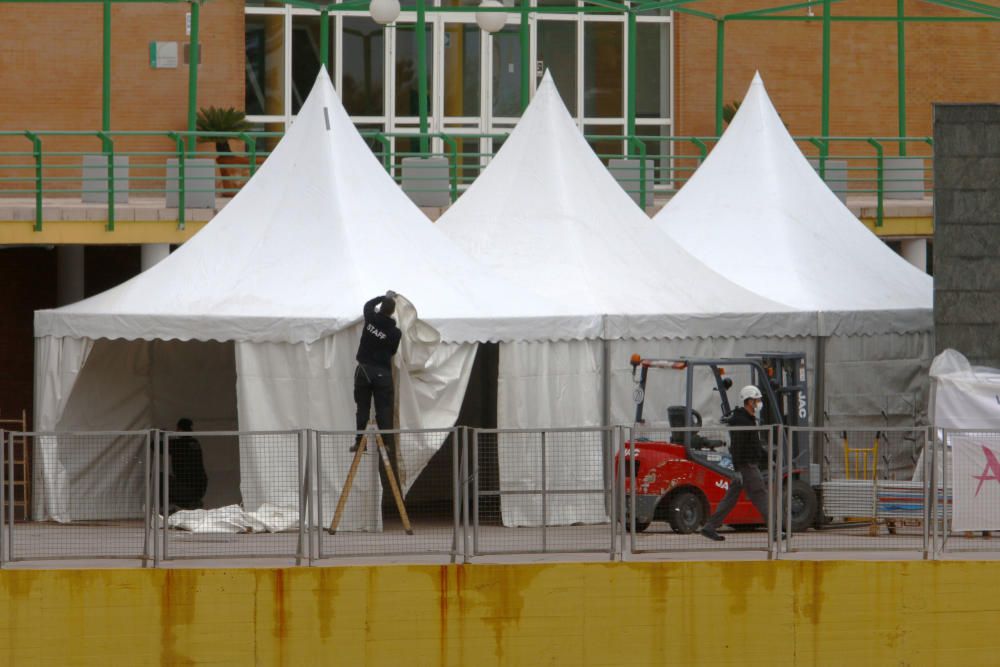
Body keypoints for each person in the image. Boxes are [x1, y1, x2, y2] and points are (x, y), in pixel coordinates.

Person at [699, 385, 770, 541]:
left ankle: (709, 527)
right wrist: (738, 470)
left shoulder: (748, 419)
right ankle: (776, 530)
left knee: (730, 499)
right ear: (749, 401)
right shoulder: (742, 422)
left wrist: (766, 457)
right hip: (746, 466)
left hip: (745, 465)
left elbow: (752, 444)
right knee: (761, 495)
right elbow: (737, 447)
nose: (759, 402)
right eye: (757, 400)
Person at [352, 292, 402, 464]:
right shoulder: (395, 333)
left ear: (381, 308)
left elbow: (367, 305)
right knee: (384, 409)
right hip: (382, 373)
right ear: (392, 313)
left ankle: (360, 442)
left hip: (364, 370)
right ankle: (386, 444)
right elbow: (393, 352)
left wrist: (383, 296)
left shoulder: (371, 318)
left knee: (363, 408)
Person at [168, 417, 208, 511]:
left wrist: (160, 435)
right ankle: (192, 503)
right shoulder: (194, 443)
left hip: (186, 485)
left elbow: (155, 446)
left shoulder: (178, 444)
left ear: (179, 429)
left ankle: (169, 509)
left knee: (163, 481)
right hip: (201, 484)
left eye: (177, 429)